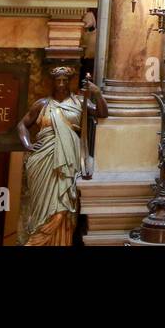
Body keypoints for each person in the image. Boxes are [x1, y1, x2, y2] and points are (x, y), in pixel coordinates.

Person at [16, 66, 108, 245]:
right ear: (53, 82)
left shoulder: (80, 102)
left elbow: (102, 112)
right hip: (43, 159)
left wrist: (97, 93)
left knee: (64, 202)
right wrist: (28, 145)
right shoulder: (42, 104)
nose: (61, 84)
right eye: (58, 80)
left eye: (65, 80)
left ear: (70, 82)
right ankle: (37, 237)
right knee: (42, 205)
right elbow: (22, 125)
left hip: (68, 159)